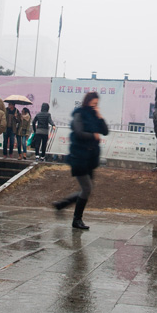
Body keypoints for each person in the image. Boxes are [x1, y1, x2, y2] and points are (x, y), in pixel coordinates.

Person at [53, 92, 109, 230]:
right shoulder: (79, 114)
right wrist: (93, 136)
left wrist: (100, 116)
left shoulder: (95, 116)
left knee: (87, 189)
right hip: (79, 157)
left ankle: (62, 205)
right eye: (93, 104)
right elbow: (78, 132)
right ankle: (76, 220)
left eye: (97, 104)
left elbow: (105, 131)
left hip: (90, 158)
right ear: (87, 102)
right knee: (87, 188)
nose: (95, 106)